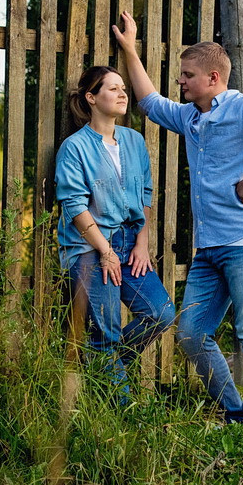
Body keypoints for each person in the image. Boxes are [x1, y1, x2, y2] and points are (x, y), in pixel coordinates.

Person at [111, 12, 243, 425]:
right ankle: (235, 411)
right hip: (210, 248)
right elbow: (149, 103)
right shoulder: (193, 118)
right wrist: (129, 49)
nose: (180, 81)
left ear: (213, 77)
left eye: (187, 75)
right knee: (191, 334)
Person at [55, 65, 176, 402]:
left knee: (160, 313)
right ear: (91, 98)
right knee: (105, 335)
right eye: (113, 89)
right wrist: (105, 251)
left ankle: (103, 366)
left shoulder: (134, 141)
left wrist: (141, 242)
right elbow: (73, 204)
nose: (123, 94)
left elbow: (146, 194)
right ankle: (124, 415)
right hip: (90, 249)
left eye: (124, 88)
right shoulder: (75, 147)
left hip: (129, 245)